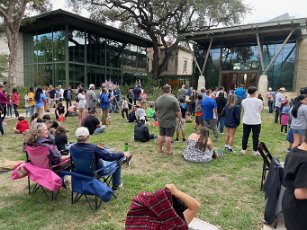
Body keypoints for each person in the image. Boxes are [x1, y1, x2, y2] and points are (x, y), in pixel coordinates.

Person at [125, 184, 200, 229]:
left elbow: (141, 199)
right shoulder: (178, 226)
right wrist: (176, 192)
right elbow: (195, 206)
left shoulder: (137, 221)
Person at [282, 130, 307, 230]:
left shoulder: (294, 152)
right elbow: (300, 193)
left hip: (289, 203)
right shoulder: (305, 162)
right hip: (300, 211)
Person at [155, 84, 182, 155]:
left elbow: (156, 111)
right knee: (168, 136)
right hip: (170, 121)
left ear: (163, 90)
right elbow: (178, 111)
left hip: (161, 120)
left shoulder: (158, 99)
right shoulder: (173, 99)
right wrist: (180, 119)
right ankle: (168, 151)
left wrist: (158, 119)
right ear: (170, 90)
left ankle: (160, 149)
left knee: (161, 135)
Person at [241, 86, 263, 156]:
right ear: (255, 92)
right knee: (255, 136)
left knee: (245, 135)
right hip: (256, 121)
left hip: (247, 120)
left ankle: (244, 150)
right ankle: (255, 151)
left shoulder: (244, 101)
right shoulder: (259, 101)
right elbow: (260, 110)